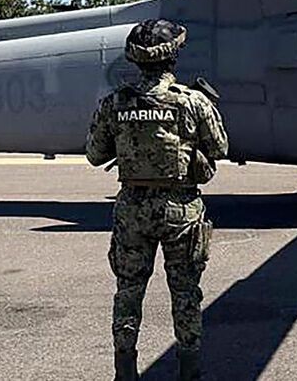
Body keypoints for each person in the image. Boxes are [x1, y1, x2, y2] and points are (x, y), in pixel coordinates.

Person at [86, 19, 228, 381]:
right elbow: (219, 148)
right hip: (181, 210)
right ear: (173, 57)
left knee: (128, 290)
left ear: (134, 58)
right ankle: (189, 371)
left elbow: (95, 155)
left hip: (133, 210)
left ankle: (125, 370)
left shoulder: (115, 103)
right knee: (186, 292)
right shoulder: (192, 101)